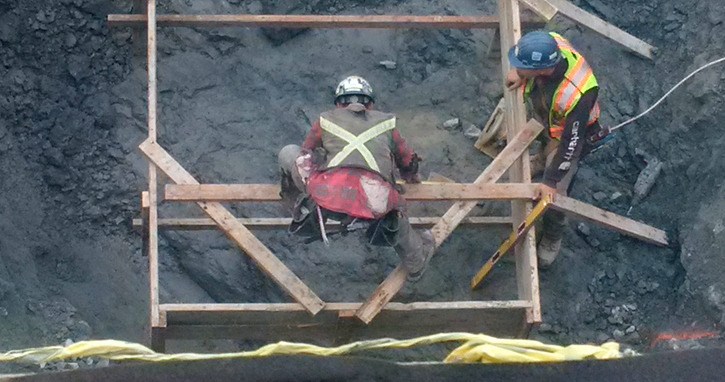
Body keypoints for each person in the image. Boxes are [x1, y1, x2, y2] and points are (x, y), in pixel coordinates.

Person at [278, 76, 434, 281]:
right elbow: (407, 160)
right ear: (370, 103)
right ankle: (415, 265)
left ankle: (295, 206)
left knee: (289, 152)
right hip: (375, 201)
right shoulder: (387, 123)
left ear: (338, 103)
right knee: (396, 218)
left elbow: (306, 153)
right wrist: (411, 175)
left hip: (327, 196)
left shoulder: (325, 119)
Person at [505, 31, 608, 268]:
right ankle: (542, 159)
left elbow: (571, 142)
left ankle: (552, 236)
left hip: (571, 135)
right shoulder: (550, 42)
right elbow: (528, 60)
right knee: (545, 142)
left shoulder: (579, 93)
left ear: (542, 69)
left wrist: (551, 180)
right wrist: (520, 74)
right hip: (551, 118)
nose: (517, 67)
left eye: (522, 66)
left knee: (556, 196)